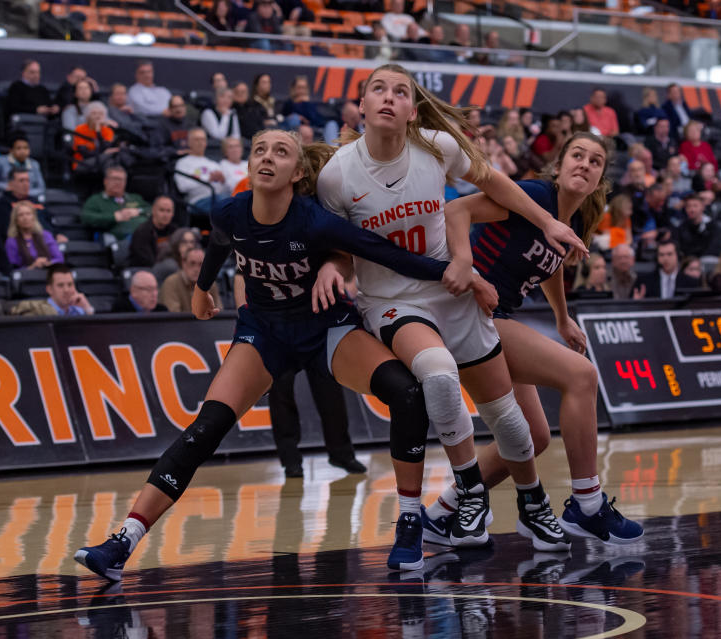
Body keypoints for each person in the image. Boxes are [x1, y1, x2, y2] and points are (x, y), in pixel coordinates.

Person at [74, 127, 494, 579]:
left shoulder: (314, 220)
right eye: (258, 150)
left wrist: (461, 273)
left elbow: (384, 254)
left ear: (297, 172)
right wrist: (201, 288)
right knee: (206, 427)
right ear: (249, 166)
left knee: (407, 392)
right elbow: (218, 243)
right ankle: (123, 542)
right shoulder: (229, 212)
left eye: (280, 151)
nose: (266, 158)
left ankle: (410, 520)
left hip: (324, 326)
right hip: (265, 333)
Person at [316, 65, 592, 557]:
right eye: (377, 89)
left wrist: (547, 222)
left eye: (400, 91)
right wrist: (332, 268)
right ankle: (469, 493)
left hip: (450, 289)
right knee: (438, 375)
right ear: (361, 105)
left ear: (411, 109)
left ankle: (533, 504)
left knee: (511, 421)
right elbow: (338, 244)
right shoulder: (337, 173)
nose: (388, 98)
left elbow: (495, 182)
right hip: (392, 301)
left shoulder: (436, 145)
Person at [443, 131, 643, 547]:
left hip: (493, 318)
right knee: (582, 376)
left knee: (532, 439)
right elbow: (456, 209)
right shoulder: (535, 194)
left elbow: (550, 262)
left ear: (600, 179)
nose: (585, 164)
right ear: (560, 163)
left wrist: (563, 318)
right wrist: (467, 265)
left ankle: (442, 512)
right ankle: (586, 504)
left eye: (595, 161)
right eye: (577, 155)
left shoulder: (564, 220)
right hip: (469, 312)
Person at [81, 165, 150, 243]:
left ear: (125, 182)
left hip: (146, 234)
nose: (117, 182)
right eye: (114, 179)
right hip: (118, 239)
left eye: (121, 179)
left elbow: (152, 210)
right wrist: (114, 217)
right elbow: (86, 217)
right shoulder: (96, 200)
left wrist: (138, 211)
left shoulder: (134, 198)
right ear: (105, 181)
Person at [0, 167, 59, 241]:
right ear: (10, 184)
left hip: (48, 240)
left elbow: (50, 221)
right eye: (21, 181)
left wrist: (58, 234)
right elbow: (6, 230)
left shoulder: (35, 201)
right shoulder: (3, 204)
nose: (25, 184)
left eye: (27, 180)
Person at [174, 128, 228, 219]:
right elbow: (182, 187)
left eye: (203, 139)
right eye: (196, 139)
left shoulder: (214, 164)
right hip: (196, 201)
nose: (200, 142)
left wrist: (223, 181)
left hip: (218, 198)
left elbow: (224, 190)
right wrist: (208, 180)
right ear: (188, 142)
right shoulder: (183, 163)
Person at [158, 245, 222, 313]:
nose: (196, 269)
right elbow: (173, 316)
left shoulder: (211, 284)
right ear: (183, 263)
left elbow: (219, 312)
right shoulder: (171, 283)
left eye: (201, 264)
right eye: (192, 263)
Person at [128, 196, 179, 280]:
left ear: (173, 214)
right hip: (146, 273)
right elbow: (147, 261)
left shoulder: (175, 231)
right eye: (162, 210)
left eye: (168, 211)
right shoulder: (142, 232)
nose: (165, 215)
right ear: (153, 211)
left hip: (171, 271)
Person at [5, 200, 63, 269]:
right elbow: (13, 268)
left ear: (34, 217)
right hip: (26, 277)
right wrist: (33, 266)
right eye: (21, 215)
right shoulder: (12, 241)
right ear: (16, 220)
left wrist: (47, 263)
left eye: (28, 214)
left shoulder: (46, 235)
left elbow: (59, 259)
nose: (25, 218)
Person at [0, 131, 46, 197]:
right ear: (11, 150)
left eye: (26, 148)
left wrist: (25, 192)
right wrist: (7, 187)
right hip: (6, 195)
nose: (23, 151)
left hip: (28, 197)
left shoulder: (34, 164)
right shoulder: (0, 161)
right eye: (19, 148)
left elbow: (41, 188)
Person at [72, 101, 120, 174]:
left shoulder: (108, 131)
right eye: (94, 113)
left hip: (101, 160)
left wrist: (98, 132)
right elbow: (85, 153)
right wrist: (103, 153)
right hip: (82, 162)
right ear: (87, 116)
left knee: (110, 161)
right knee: (110, 156)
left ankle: (109, 180)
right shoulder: (80, 129)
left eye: (101, 114)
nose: (98, 116)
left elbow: (106, 147)